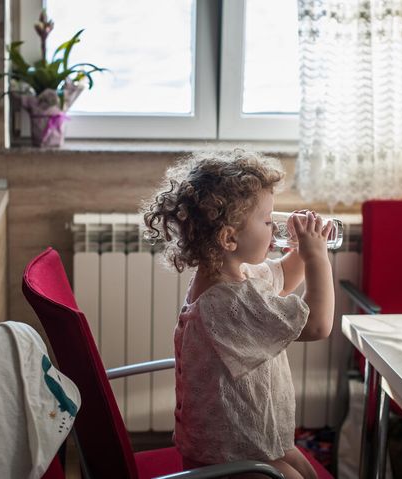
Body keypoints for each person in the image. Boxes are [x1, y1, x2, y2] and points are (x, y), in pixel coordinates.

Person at [142, 149, 335, 479]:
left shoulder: (238, 274)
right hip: (224, 455)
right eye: (266, 220)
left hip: (253, 438)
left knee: (306, 473)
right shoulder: (225, 302)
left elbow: (285, 278)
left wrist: (303, 251)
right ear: (229, 237)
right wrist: (318, 258)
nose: (274, 228)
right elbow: (318, 325)